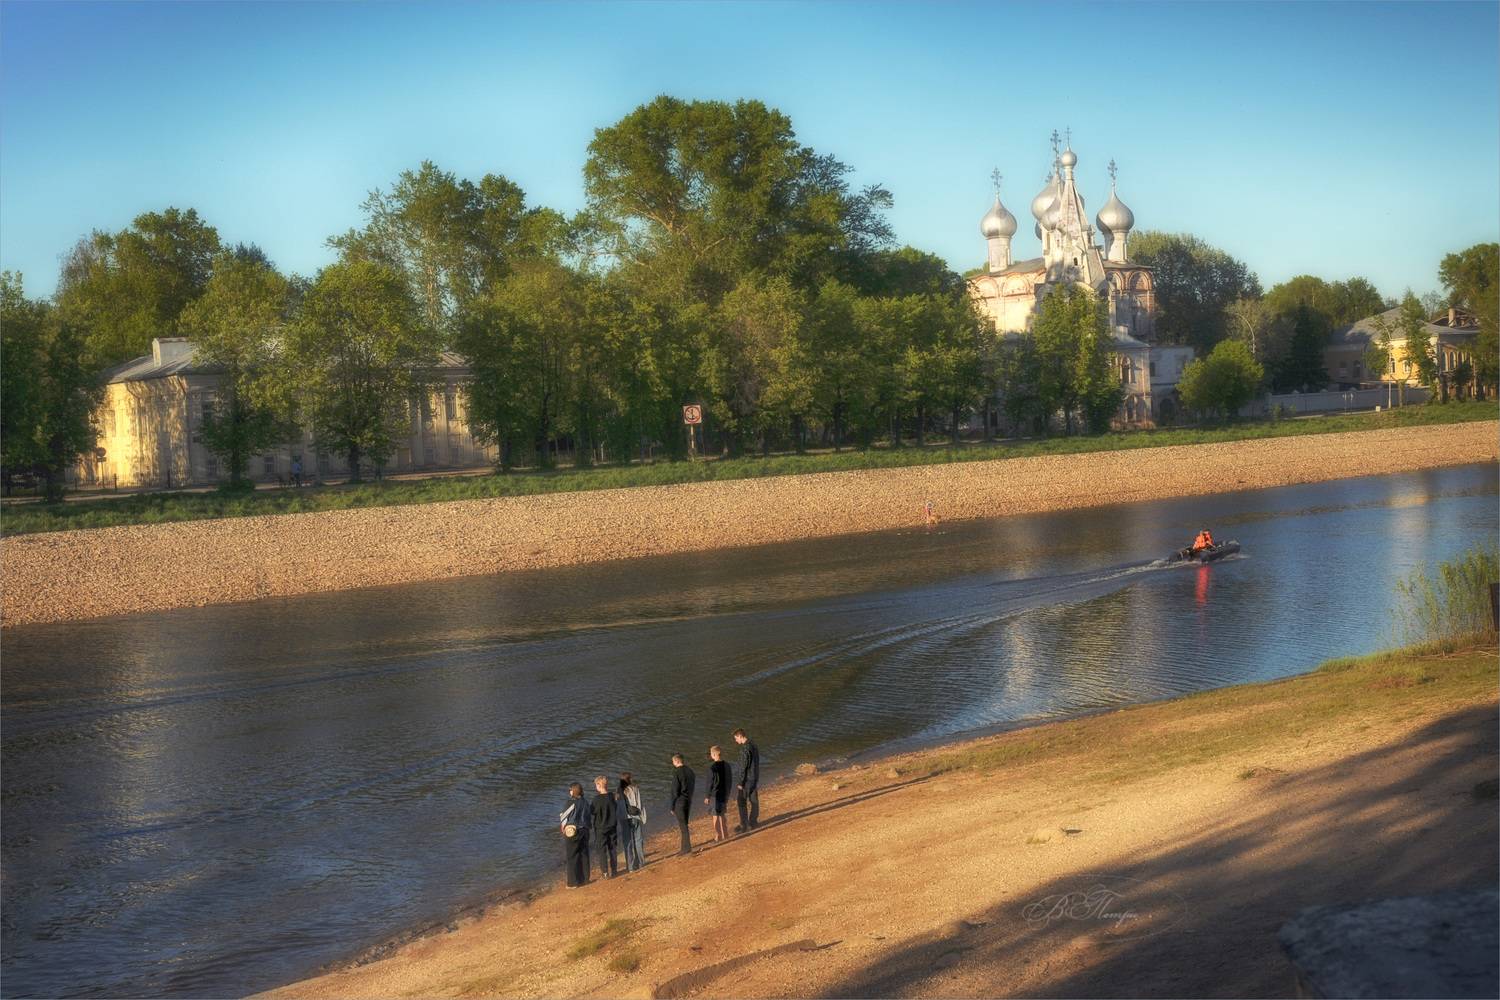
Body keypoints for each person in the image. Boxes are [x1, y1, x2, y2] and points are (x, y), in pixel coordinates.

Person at [560, 782, 591, 888]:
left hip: (573, 831)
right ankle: (585, 879)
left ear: (573, 791)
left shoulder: (570, 802)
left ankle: (573, 883)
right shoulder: (585, 802)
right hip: (585, 830)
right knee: (584, 854)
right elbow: (588, 816)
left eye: (570, 790)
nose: (569, 792)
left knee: (572, 856)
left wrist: (563, 827)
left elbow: (563, 816)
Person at [590, 775, 619, 879]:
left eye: (596, 785)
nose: (595, 787)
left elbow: (592, 811)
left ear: (599, 785)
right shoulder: (612, 796)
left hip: (600, 828)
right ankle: (614, 870)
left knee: (602, 850)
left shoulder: (596, 799)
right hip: (612, 826)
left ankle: (605, 872)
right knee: (612, 848)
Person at [618, 772, 647, 872]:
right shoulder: (636, 788)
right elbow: (640, 803)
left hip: (626, 818)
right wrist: (643, 816)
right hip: (636, 817)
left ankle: (630, 867)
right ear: (630, 779)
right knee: (638, 840)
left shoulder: (620, 791)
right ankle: (640, 863)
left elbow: (620, 807)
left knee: (628, 841)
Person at [733, 728, 760, 832]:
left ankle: (744, 825)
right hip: (754, 777)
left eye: (736, 738)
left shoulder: (745, 749)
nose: (736, 741)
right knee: (754, 800)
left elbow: (743, 767)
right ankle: (753, 821)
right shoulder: (753, 745)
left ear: (740, 736)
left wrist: (740, 782)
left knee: (741, 801)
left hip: (747, 780)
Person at [670, 753, 696, 855]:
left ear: (676, 761)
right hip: (688, 800)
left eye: (673, 761)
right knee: (685, 824)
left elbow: (675, 791)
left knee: (683, 826)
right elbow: (693, 785)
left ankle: (686, 848)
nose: (672, 763)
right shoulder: (690, 771)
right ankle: (685, 846)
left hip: (680, 802)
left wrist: (672, 806)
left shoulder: (677, 773)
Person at [704, 746, 731, 842]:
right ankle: (726, 833)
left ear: (714, 755)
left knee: (715, 815)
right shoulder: (727, 765)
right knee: (722, 814)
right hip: (724, 794)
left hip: (715, 795)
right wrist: (728, 793)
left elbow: (709, 783)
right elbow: (729, 781)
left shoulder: (712, 768)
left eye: (711, 754)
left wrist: (707, 796)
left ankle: (718, 835)